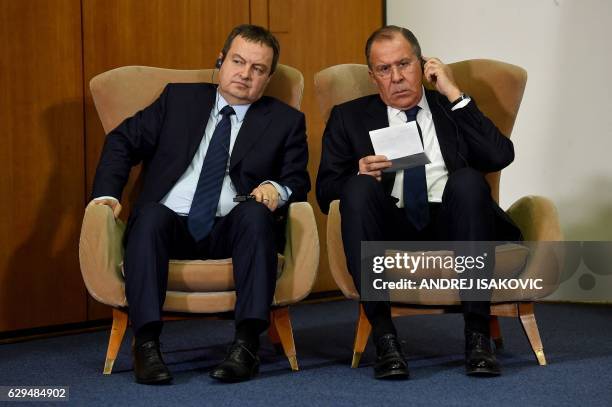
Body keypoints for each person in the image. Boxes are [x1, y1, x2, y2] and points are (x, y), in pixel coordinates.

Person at [91, 24, 310, 384]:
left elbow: (298, 180)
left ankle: (245, 345)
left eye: (258, 69)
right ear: (220, 62)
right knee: (148, 217)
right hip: (170, 224)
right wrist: (107, 195)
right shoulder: (178, 100)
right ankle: (146, 345)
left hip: (231, 227)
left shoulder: (285, 122)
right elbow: (122, 141)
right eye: (238, 62)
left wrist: (275, 187)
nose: (245, 74)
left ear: (268, 78)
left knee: (256, 217)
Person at [316, 25, 522, 380]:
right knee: (358, 188)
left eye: (404, 64)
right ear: (372, 76)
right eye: (384, 69)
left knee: (469, 181)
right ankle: (385, 339)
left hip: (454, 222)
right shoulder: (348, 117)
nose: (396, 77)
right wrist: (359, 171)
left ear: (423, 64)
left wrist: (454, 92)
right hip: (390, 225)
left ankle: (477, 337)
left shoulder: (451, 109)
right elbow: (325, 192)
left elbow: (500, 155)